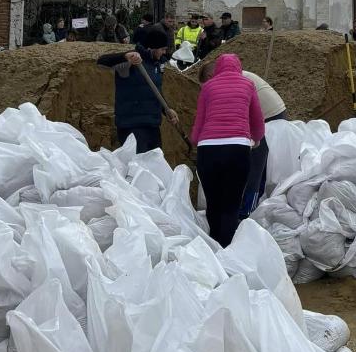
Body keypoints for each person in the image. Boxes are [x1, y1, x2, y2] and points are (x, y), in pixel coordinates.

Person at [191, 54, 264, 247]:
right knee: (231, 203)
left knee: (213, 203)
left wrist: (195, 141)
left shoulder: (208, 87)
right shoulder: (248, 85)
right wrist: (256, 139)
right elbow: (257, 119)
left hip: (209, 150)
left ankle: (215, 246)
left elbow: (199, 121)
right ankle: (228, 250)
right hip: (237, 149)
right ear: (238, 67)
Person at [198, 60, 288, 217]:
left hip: (269, 118)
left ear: (211, 76)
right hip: (267, 115)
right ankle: (249, 203)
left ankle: (247, 210)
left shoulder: (233, 82)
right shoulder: (233, 77)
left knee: (255, 164)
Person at [96, 28, 179, 153]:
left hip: (152, 124)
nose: (164, 52)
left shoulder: (156, 65)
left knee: (155, 164)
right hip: (132, 126)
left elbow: (154, 90)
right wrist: (124, 56)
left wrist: (166, 109)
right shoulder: (130, 63)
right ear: (153, 47)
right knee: (138, 167)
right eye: (162, 49)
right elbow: (101, 62)